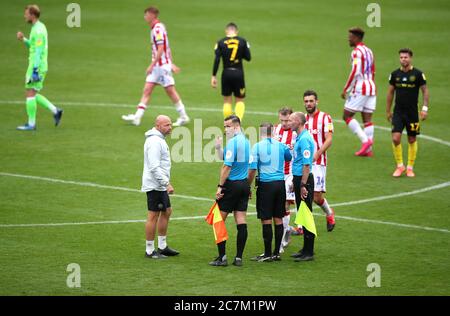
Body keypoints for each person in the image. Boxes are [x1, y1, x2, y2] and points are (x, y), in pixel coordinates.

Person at [122, 6, 189, 127]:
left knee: (170, 91)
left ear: (152, 15)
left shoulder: (157, 29)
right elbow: (166, 47)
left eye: (146, 14)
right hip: (159, 66)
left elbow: (161, 48)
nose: (145, 17)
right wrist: (171, 63)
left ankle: (183, 116)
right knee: (147, 89)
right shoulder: (157, 28)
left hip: (161, 67)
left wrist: (152, 65)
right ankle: (137, 117)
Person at [248, 123, 292, 262]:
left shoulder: (257, 147)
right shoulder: (281, 145)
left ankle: (267, 254)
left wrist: (247, 186)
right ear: (273, 131)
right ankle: (276, 253)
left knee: (266, 219)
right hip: (280, 184)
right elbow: (289, 158)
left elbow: (253, 168)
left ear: (260, 132)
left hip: (266, 185)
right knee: (278, 218)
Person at [211, 115, 250, 267]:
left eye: (227, 126)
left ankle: (222, 257)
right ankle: (238, 258)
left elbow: (226, 166)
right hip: (243, 184)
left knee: (217, 220)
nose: (225, 130)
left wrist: (220, 186)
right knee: (241, 220)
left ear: (236, 126)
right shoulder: (246, 141)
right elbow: (226, 158)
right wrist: (219, 148)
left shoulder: (234, 142)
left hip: (232, 185)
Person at [16, 4, 63, 131]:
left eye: (26, 14)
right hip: (37, 65)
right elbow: (33, 46)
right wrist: (24, 39)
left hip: (37, 66)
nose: (24, 16)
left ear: (32, 15)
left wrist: (35, 70)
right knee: (33, 94)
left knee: (30, 93)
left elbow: (38, 51)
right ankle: (55, 110)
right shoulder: (38, 27)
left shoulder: (38, 30)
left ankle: (31, 124)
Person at [386, 48, 429, 177]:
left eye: (405, 57)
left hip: (412, 113)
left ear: (410, 58)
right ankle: (400, 166)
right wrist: (388, 110)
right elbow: (390, 92)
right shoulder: (394, 75)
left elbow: (425, 91)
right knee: (395, 138)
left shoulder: (418, 74)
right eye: (401, 57)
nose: (403, 59)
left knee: (411, 138)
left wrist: (424, 108)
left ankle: (410, 167)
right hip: (398, 112)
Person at [142, 115, 179, 259]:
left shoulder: (159, 140)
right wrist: (166, 183)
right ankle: (150, 250)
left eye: (170, 124)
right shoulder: (154, 142)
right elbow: (154, 166)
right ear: (157, 126)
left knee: (167, 211)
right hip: (155, 185)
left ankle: (162, 246)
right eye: (166, 125)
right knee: (153, 215)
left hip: (159, 184)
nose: (170, 128)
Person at [303, 90, 336, 232]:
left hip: (318, 162)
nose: (309, 104)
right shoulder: (302, 119)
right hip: (304, 163)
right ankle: (302, 226)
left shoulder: (325, 118)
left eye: (311, 101)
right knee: (305, 194)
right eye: (306, 101)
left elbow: (329, 139)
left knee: (316, 197)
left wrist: (317, 154)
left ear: (317, 102)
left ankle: (329, 213)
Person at [341, 27, 376, 157]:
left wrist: (346, 89)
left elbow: (355, 72)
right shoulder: (369, 51)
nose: (348, 39)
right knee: (367, 119)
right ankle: (369, 150)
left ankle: (365, 141)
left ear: (356, 37)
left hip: (361, 87)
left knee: (347, 115)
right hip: (371, 86)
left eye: (350, 37)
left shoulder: (356, 52)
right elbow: (373, 70)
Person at [273, 107, 302, 251]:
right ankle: (287, 232)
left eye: (287, 120)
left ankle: (281, 243)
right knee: (277, 207)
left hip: (290, 174)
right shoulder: (275, 130)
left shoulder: (297, 134)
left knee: (285, 205)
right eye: (282, 120)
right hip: (276, 174)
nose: (284, 123)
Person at [288, 112, 315, 262]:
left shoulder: (304, 139)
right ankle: (305, 248)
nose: (289, 122)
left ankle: (309, 252)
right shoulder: (299, 137)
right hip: (299, 179)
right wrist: (295, 181)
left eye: (291, 120)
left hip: (305, 180)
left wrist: (303, 184)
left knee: (306, 214)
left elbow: (306, 164)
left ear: (298, 122)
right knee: (303, 214)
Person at [211, 23, 251, 121]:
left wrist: (213, 75)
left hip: (226, 73)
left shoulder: (220, 42)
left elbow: (217, 59)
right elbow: (248, 58)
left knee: (227, 100)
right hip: (238, 73)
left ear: (226, 31)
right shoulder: (243, 41)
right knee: (240, 100)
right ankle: (238, 122)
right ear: (236, 31)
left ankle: (228, 124)